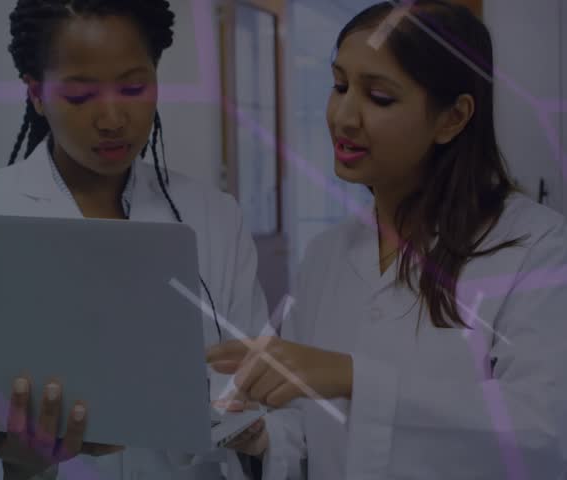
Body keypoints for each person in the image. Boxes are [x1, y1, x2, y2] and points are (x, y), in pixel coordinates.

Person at [0, 1, 280, 479]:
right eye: (80, 95)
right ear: (36, 92)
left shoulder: (214, 219)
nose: (113, 118)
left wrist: (230, 423)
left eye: (134, 87)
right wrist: (15, 465)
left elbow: (266, 395)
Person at [207, 1, 567, 478]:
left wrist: (355, 378)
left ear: (453, 118)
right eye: (339, 85)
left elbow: (544, 434)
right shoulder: (327, 254)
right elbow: (310, 424)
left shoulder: (535, 247)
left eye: (379, 97)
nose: (344, 116)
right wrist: (264, 434)